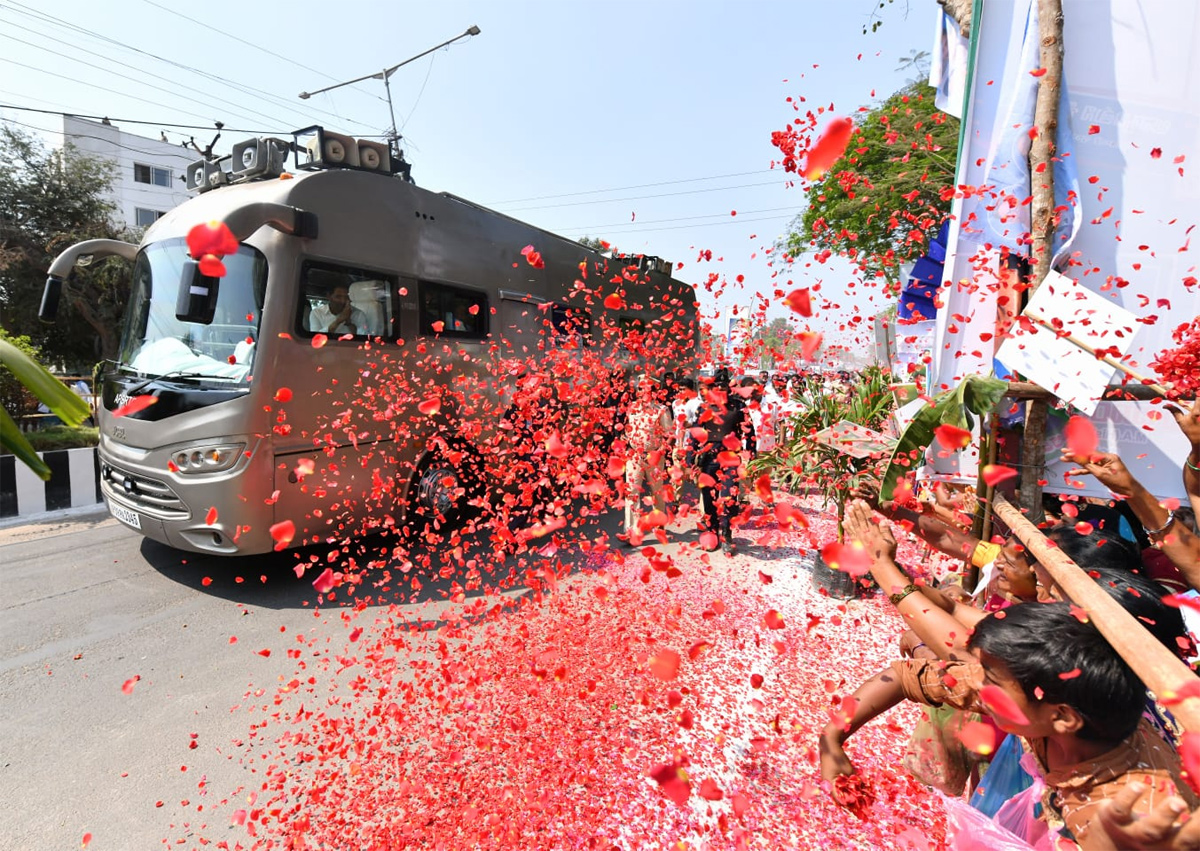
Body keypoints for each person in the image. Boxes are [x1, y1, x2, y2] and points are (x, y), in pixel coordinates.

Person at [689, 368, 754, 555]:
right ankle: (711, 531)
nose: (720, 388)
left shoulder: (739, 406)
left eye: (724, 385)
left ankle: (726, 533)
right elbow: (695, 434)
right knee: (708, 498)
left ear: (729, 386)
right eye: (717, 385)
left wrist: (751, 453)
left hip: (730, 457)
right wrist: (689, 459)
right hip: (708, 458)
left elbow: (750, 432)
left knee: (728, 498)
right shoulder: (704, 408)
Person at [622, 374, 674, 544]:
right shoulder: (631, 408)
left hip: (654, 456)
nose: (642, 391)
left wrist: (659, 451)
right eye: (639, 388)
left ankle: (659, 525)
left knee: (656, 493)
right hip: (634, 455)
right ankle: (633, 532)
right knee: (632, 493)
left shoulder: (662, 410)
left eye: (646, 388)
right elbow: (626, 430)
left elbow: (669, 434)